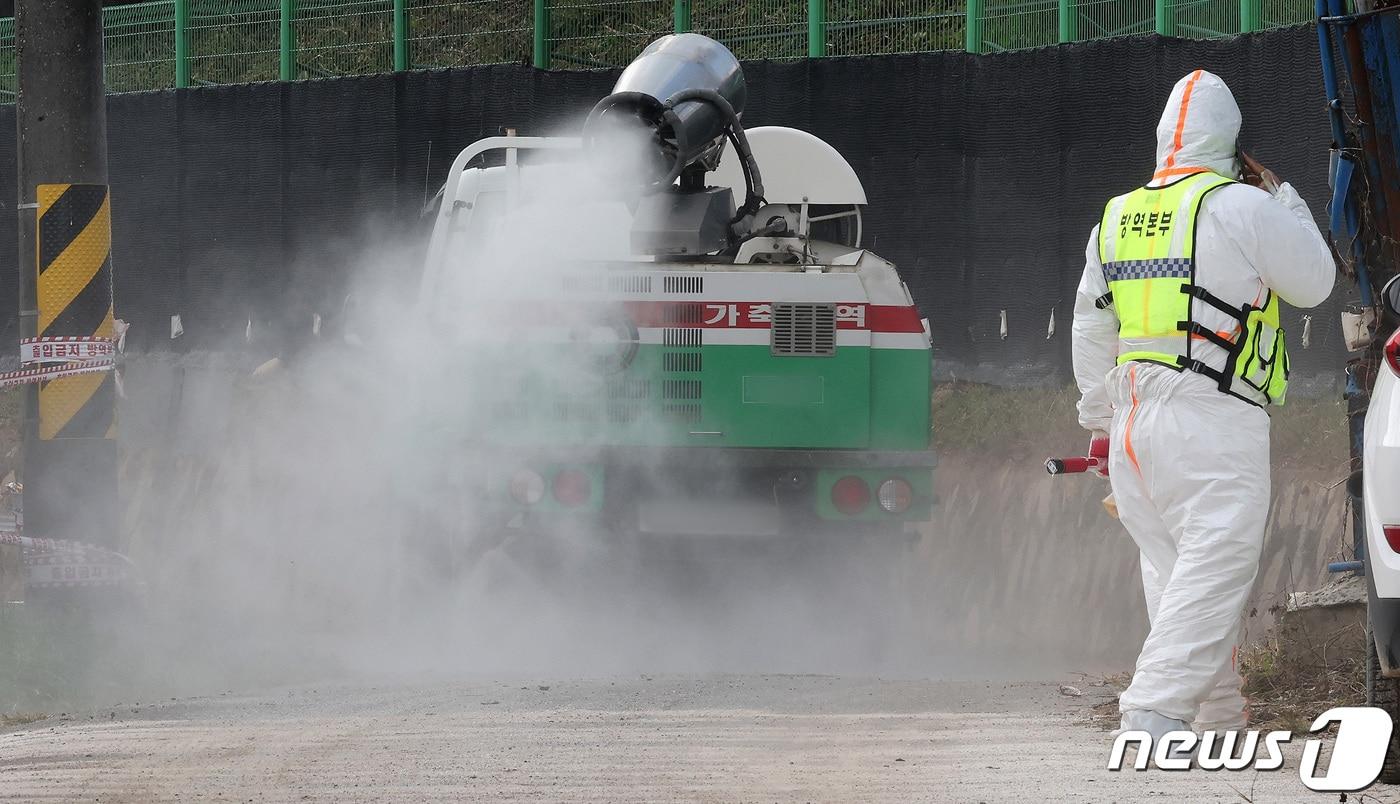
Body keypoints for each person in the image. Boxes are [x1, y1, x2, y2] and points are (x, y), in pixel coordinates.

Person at [1071, 69, 1335, 740]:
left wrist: (1099, 425)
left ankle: (1216, 721)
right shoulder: (1240, 206)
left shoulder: (1118, 215)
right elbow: (1314, 282)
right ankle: (1152, 712)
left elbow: (1089, 327)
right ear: (1231, 143)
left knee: (1175, 573)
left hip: (1133, 420)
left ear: (1164, 138)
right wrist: (1284, 198)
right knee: (1216, 563)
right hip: (1209, 415)